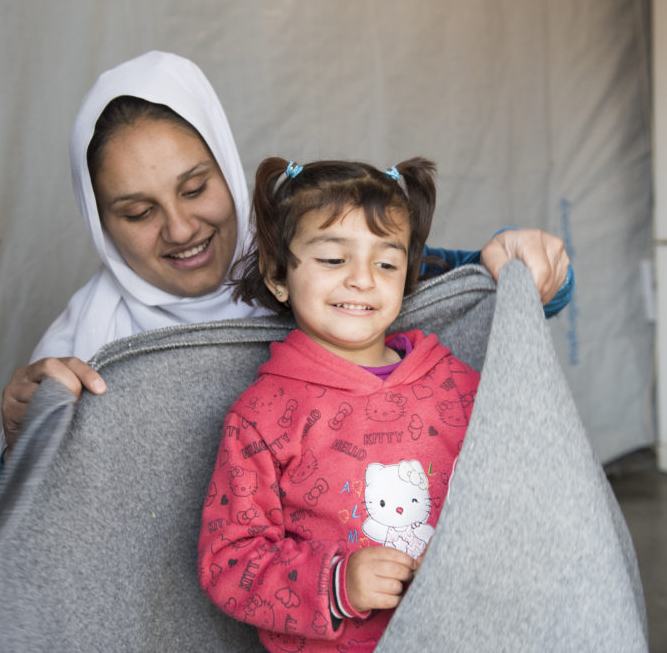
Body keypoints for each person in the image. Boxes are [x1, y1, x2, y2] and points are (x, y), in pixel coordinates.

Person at [0, 51, 571, 584]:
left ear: (226, 164)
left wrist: (532, 267)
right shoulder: (84, 351)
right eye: (137, 211)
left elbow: (469, 291)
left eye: (196, 188)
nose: (180, 228)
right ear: (98, 221)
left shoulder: (319, 266)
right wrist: (25, 443)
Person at [198, 156, 478, 652]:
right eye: (333, 259)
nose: (363, 278)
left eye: (386, 262)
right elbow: (229, 562)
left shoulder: (458, 384)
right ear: (278, 274)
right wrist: (337, 585)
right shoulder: (261, 416)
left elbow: (515, 492)